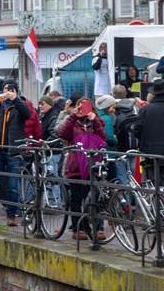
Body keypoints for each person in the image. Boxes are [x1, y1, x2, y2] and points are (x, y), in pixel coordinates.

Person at [0, 79, 32, 227]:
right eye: (5, 89)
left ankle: (12, 215)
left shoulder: (20, 105)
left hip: (13, 151)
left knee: (12, 185)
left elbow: (27, 114)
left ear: (16, 91)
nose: (7, 92)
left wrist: (15, 99)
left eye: (10, 89)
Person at [58, 97, 107, 240]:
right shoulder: (72, 122)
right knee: (77, 198)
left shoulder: (96, 121)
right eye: (81, 106)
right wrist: (73, 115)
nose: (84, 109)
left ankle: (98, 228)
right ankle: (79, 228)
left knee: (95, 197)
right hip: (76, 165)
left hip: (93, 165)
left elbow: (104, 138)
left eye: (86, 106)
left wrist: (95, 120)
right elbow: (62, 134)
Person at [133, 79, 164, 187]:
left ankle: (154, 203)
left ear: (153, 93)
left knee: (151, 185)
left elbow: (136, 131)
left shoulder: (145, 109)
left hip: (150, 152)